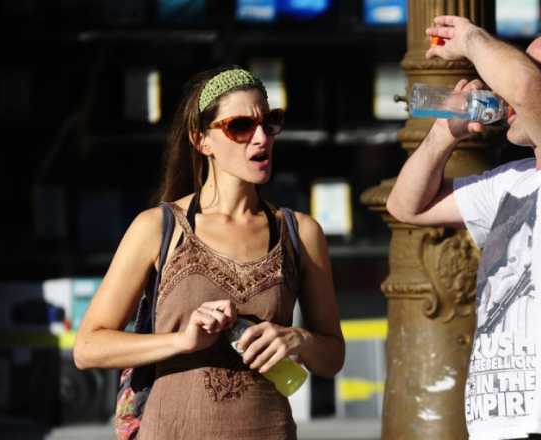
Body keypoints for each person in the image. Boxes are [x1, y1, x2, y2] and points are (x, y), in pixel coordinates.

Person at [387, 17, 541, 440]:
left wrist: (471, 40)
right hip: (498, 427)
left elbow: (525, 89)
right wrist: (443, 133)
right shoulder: (513, 179)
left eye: (534, 73)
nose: (505, 87)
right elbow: (406, 205)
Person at [73, 66, 345, 439]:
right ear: (201, 140)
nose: (261, 137)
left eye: (269, 122)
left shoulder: (299, 232)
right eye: (240, 127)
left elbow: (332, 356)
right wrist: (181, 341)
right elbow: (88, 347)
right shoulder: (159, 227)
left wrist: (298, 339)